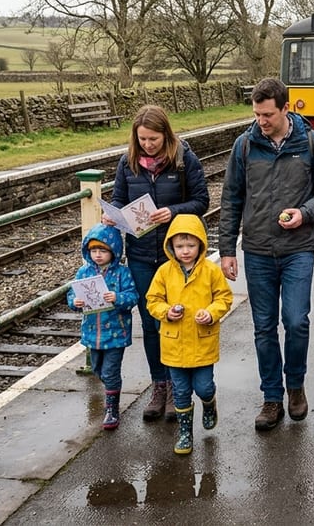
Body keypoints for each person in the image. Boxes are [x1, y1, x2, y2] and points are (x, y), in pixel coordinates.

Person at [219, 77, 314, 431]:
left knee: (296, 321)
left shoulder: (312, 143)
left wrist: (305, 212)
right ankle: (272, 398)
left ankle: (295, 385)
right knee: (263, 327)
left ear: (287, 108)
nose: (261, 121)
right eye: (257, 114)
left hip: (297, 248)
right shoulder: (244, 146)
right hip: (257, 250)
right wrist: (227, 250)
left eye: (268, 115)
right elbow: (231, 198)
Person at [106, 104, 209, 423]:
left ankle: (179, 388)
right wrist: (113, 216)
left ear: (166, 134)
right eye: (142, 139)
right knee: (151, 323)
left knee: (175, 320)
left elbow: (202, 201)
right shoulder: (127, 162)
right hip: (140, 255)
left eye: (153, 139)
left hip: (175, 256)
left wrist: (173, 212)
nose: (148, 145)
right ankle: (159, 386)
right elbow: (119, 199)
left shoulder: (184, 160)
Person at [146, 215, 233, 455]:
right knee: (181, 391)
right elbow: (153, 300)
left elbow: (224, 297)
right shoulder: (164, 272)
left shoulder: (210, 271)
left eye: (191, 245)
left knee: (204, 387)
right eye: (180, 246)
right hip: (174, 345)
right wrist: (166, 312)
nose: (185, 251)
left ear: (201, 245)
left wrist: (211, 313)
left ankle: (209, 403)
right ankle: (185, 433)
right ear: (171, 246)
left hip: (202, 342)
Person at [67, 223, 138, 430]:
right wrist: (75, 302)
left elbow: (133, 296)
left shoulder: (122, 273)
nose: (98, 255)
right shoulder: (84, 272)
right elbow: (72, 294)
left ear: (113, 251)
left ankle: (112, 409)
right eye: (94, 250)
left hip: (116, 332)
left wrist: (117, 298)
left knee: (110, 372)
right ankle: (111, 393)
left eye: (103, 250)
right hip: (92, 333)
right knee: (98, 370)